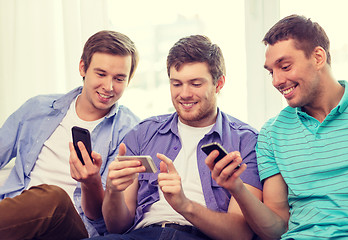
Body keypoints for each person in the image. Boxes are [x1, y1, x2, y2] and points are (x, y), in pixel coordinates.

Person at [89, 35, 263, 240]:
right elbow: (116, 226)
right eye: (177, 84)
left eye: (195, 84)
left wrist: (184, 205)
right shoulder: (143, 133)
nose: (184, 94)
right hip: (142, 235)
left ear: (219, 84)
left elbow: (240, 234)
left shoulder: (246, 141)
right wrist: (113, 191)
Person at [206, 14, 348, 240]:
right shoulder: (272, 133)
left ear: (318, 57)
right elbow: (277, 229)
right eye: (271, 72)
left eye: (285, 66)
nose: (276, 81)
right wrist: (236, 188)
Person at [0, 30, 140, 239]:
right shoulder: (37, 109)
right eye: (101, 74)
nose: (109, 87)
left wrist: (90, 182)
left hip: (73, 228)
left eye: (119, 78)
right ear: (83, 67)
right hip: (18, 223)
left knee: (53, 197)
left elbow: (106, 222)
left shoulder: (130, 132)